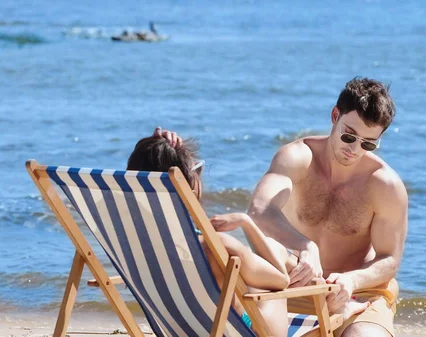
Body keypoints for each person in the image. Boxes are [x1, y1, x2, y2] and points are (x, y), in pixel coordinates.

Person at [128, 127, 370, 337]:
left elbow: (144, 186)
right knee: (272, 259)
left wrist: (152, 150)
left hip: (182, 329)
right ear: (187, 185)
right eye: (197, 170)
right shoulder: (217, 245)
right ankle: (337, 304)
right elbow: (280, 281)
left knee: (261, 262)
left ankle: (332, 298)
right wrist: (247, 223)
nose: (200, 176)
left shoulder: (134, 239)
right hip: (252, 332)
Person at [247, 77, 407, 337]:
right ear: (335, 116)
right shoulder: (298, 158)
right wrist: (305, 246)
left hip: (360, 292)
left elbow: (390, 259)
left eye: (368, 144)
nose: (354, 150)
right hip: (299, 286)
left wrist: (351, 280)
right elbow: (259, 210)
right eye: (349, 136)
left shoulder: (384, 185)